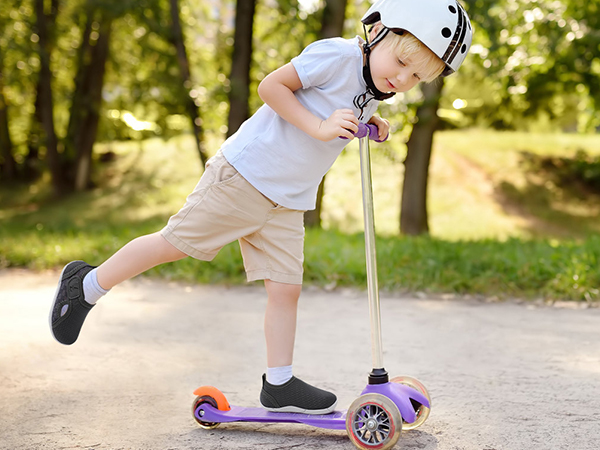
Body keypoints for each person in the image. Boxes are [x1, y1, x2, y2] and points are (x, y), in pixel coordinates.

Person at [49, 0, 472, 415]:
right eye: (401, 62)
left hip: (288, 201)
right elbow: (271, 86)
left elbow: (340, 111)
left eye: (416, 76)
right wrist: (320, 127)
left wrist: (369, 123)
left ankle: (279, 382)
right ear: (378, 31)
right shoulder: (337, 56)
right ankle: (85, 286)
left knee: (286, 288)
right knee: (173, 244)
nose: (402, 78)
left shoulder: (373, 85)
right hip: (245, 177)